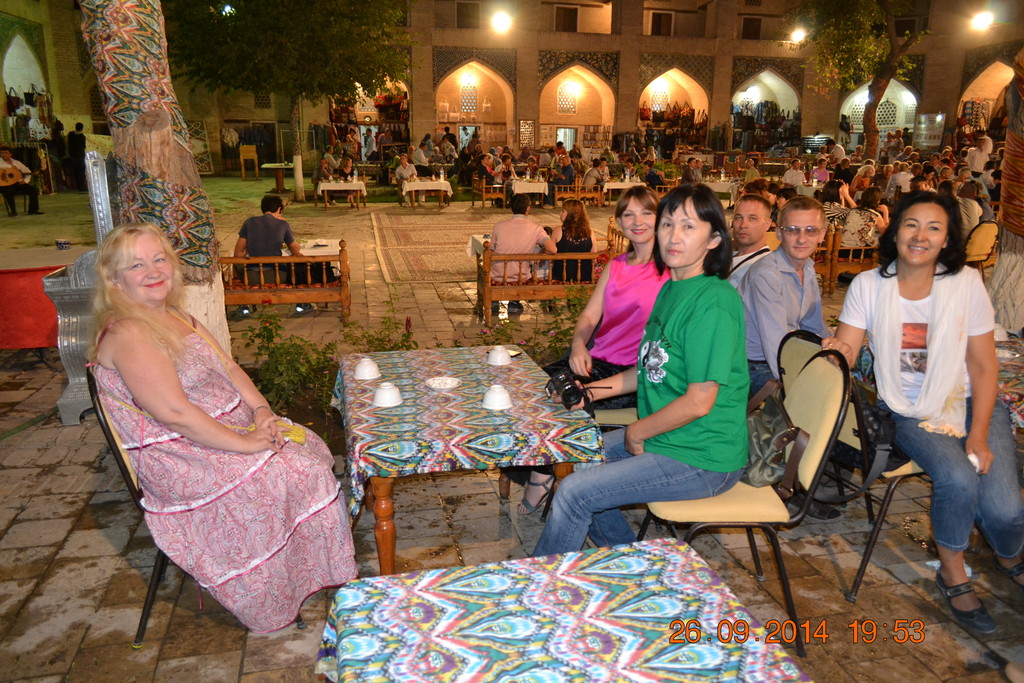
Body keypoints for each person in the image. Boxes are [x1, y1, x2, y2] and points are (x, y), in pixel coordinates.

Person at [90, 223, 357, 633]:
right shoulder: (130, 332)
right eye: (136, 265)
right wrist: (247, 444)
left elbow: (229, 368)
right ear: (114, 279)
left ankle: (302, 572)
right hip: (182, 454)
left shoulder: (174, 315)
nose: (153, 271)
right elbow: (174, 413)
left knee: (307, 447)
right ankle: (269, 599)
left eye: (159, 259)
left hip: (219, 429)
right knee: (295, 470)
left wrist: (261, 412)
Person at [829, 191, 1024, 634]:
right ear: (895, 230)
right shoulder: (869, 286)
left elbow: (983, 366)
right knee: (957, 478)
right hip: (909, 409)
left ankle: (1010, 555)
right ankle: (953, 573)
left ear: (947, 239)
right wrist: (836, 350)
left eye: (934, 228)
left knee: (1005, 509)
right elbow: (849, 346)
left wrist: (978, 434)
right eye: (911, 224)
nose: (920, 236)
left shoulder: (966, 284)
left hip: (971, 401)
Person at [531, 184, 748, 557]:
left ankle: (541, 582)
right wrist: (591, 391)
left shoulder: (713, 302)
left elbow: (699, 401)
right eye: (667, 224)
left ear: (714, 240)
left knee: (574, 492)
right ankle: (632, 561)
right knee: (579, 457)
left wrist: (636, 430)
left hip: (702, 456)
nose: (673, 236)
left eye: (688, 226)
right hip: (670, 440)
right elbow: (649, 368)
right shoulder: (672, 289)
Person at [513, 187, 670, 515]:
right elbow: (589, 316)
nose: (637, 221)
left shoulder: (672, 271)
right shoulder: (617, 265)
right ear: (619, 222)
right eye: (629, 214)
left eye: (646, 213)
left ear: (660, 219)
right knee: (526, 388)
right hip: (595, 360)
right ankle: (543, 467)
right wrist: (578, 344)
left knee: (563, 399)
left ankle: (543, 475)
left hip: (632, 375)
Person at [738, 196, 834, 394]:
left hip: (789, 351)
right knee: (819, 398)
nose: (801, 239)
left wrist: (834, 349)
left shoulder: (807, 268)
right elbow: (776, 348)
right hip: (755, 366)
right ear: (779, 233)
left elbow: (814, 327)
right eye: (792, 230)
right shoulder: (766, 275)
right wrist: (797, 390)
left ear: (822, 235)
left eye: (811, 230)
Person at [234, 195, 312, 314]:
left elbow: (238, 254)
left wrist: (250, 247)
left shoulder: (249, 222)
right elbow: (296, 250)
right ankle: (301, 302)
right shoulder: (283, 224)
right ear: (279, 209)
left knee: (237, 264)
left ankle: (244, 305)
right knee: (295, 263)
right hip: (277, 275)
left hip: (251, 276)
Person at [489, 193, 556, 312]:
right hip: (521, 276)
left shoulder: (499, 226)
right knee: (523, 271)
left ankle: (494, 301)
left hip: (498, 275)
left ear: (511, 209)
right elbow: (553, 249)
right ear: (528, 209)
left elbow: (491, 250)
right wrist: (541, 250)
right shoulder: (536, 228)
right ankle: (514, 302)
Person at [728, 194, 773, 287]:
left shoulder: (766, 268)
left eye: (752, 218)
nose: (743, 225)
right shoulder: (723, 256)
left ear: (767, 224)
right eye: (738, 218)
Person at [550, 199, 594, 282]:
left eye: (563, 211)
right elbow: (594, 253)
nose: (560, 213)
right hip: (585, 277)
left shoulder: (557, 231)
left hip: (562, 278)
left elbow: (550, 252)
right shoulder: (590, 232)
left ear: (571, 214)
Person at [0, 147, 43, 216]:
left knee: (34, 190)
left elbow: (28, 172)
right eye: (2, 153)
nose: (4, 155)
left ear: (10, 154)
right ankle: (13, 211)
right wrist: (10, 167)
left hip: (17, 182)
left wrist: (25, 181)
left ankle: (33, 210)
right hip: (3, 184)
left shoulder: (17, 163)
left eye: (6, 153)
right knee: (9, 191)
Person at [67, 122, 87, 192]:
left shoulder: (70, 135)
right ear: (82, 128)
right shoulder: (82, 137)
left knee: (75, 171)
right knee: (81, 171)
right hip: (80, 156)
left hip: (72, 155)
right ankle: (82, 187)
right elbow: (83, 147)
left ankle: (76, 186)